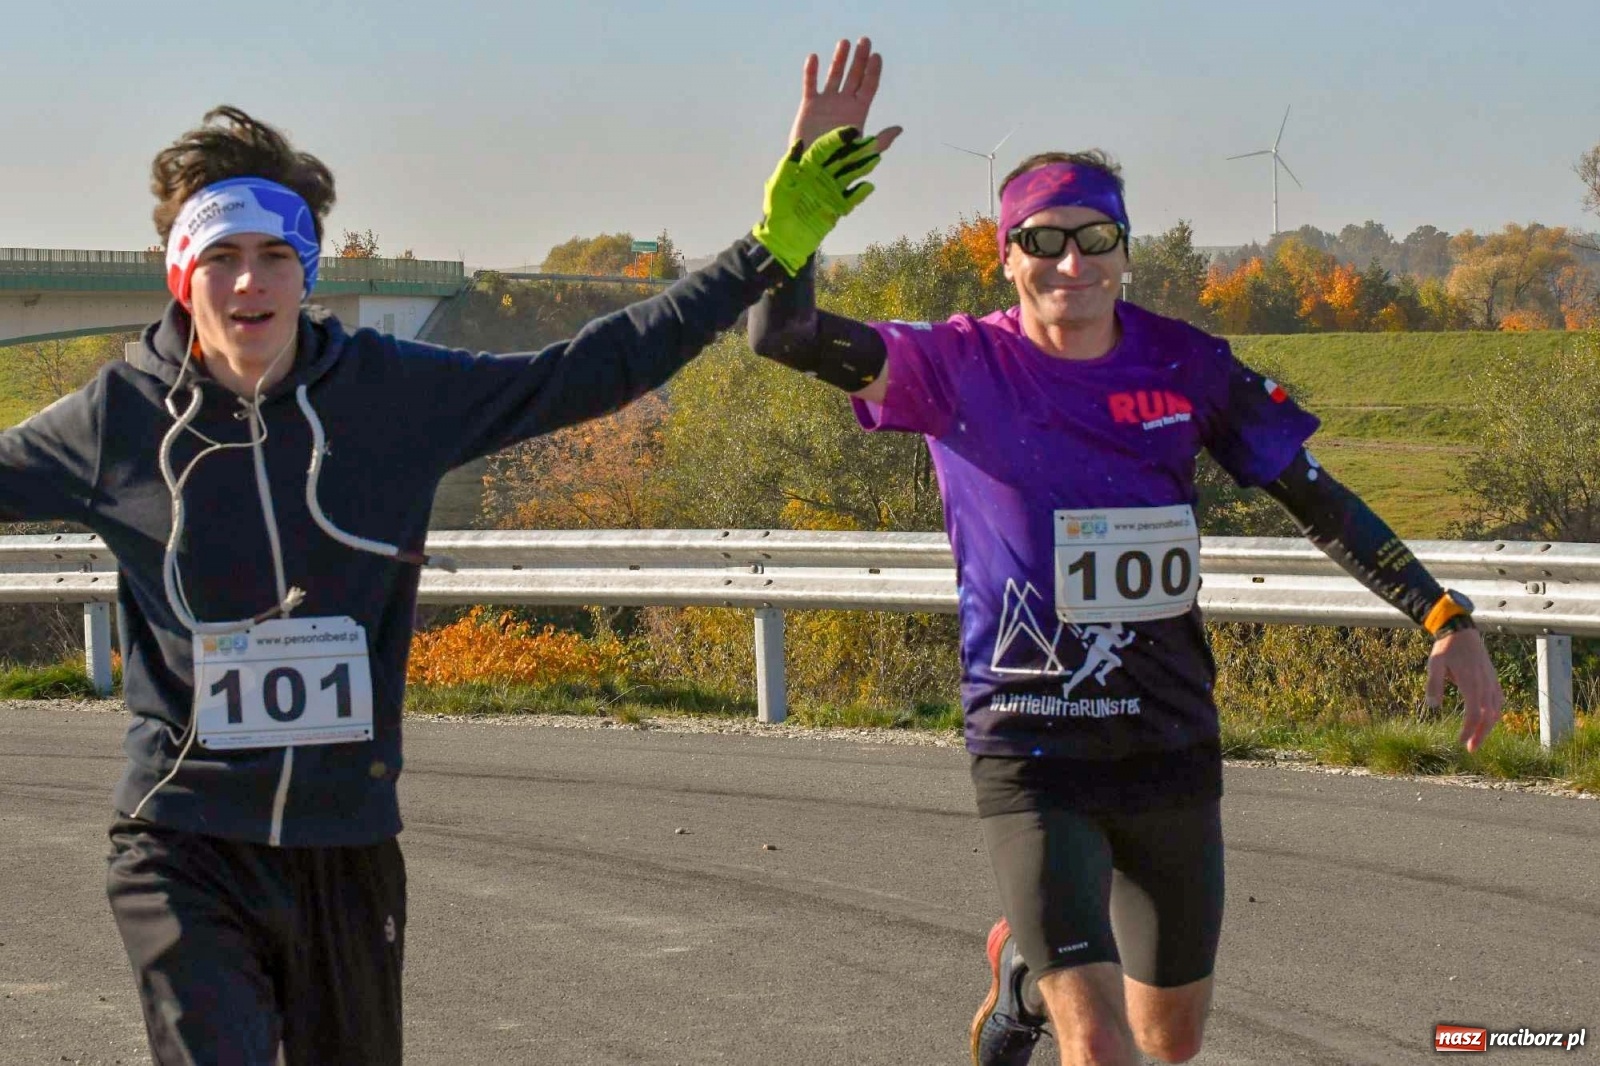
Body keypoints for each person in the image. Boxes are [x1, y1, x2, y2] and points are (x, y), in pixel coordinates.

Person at [0, 43, 895, 1063]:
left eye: (276, 255)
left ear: (308, 269)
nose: (249, 281)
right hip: (182, 836)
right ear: (181, 274)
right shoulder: (117, 419)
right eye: (221, 256)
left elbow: (587, 370)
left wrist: (768, 250)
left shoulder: (389, 393)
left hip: (345, 844)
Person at [747, 141, 1504, 1064]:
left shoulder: (1185, 364)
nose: (1073, 262)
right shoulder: (954, 362)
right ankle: (1048, 976)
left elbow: (1312, 494)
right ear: (1007, 256)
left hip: (1167, 736)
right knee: (1101, 1045)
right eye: (1044, 240)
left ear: (1125, 250)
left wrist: (1442, 616)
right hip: (1031, 740)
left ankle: (1022, 975)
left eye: (1096, 237)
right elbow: (781, 336)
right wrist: (795, 233)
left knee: (1168, 1041)